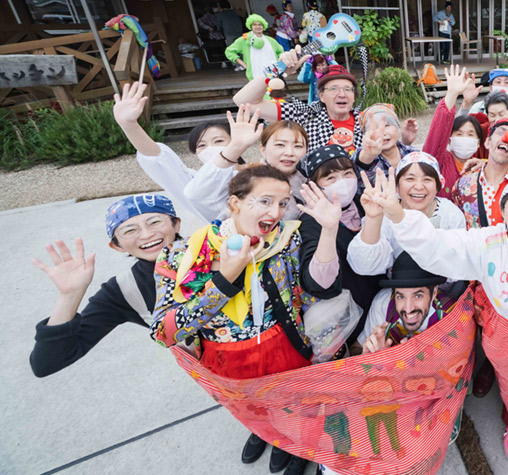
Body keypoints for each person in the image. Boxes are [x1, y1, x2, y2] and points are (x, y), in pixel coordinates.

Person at [151, 164, 344, 475]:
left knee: (299, 405)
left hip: (286, 347)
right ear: (235, 202)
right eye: (265, 201)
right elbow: (163, 333)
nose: (276, 212)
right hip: (225, 358)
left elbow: (308, 293)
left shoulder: (286, 241)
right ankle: (263, 431)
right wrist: (224, 280)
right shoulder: (180, 255)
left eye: (283, 203)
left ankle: (301, 446)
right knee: (251, 407)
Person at [371, 176, 508, 463]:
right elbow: (438, 246)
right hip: (505, 343)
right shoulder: (486, 242)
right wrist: (399, 216)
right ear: (504, 214)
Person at [30, 195, 181, 378]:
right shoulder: (124, 291)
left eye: (154, 222)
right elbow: (47, 363)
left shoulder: (212, 251)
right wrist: (69, 295)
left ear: (176, 224)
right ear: (117, 245)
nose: (146, 234)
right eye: (129, 230)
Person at [295, 144, 378, 347]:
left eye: (347, 173)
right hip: (351, 322)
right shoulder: (311, 221)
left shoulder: (364, 203)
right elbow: (319, 284)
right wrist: (329, 229)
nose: (342, 182)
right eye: (330, 177)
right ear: (315, 186)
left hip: (381, 308)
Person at [113, 81, 231, 223]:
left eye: (218, 141)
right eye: (202, 145)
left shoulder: (254, 171)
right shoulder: (194, 182)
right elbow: (159, 159)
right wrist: (129, 125)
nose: (210, 148)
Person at [349, 152, 466, 278]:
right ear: (397, 186)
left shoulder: (450, 214)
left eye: (427, 179)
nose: (419, 187)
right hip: (398, 287)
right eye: (410, 179)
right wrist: (373, 218)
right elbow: (365, 266)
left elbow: (458, 262)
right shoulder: (385, 214)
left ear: (438, 186)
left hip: (443, 286)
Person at [184, 109, 309, 221]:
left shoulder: (310, 178)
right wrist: (235, 147)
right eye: (280, 145)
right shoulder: (244, 180)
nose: (289, 152)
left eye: (298, 146)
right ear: (263, 150)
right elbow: (195, 194)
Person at [233, 57, 359, 152]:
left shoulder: (365, 120)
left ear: (354, 96)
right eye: (333, 89)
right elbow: (244, 101)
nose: (342, 94)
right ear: (321, 96)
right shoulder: (305, 115)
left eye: (348, 89)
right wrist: (278, 68)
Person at [357, 252, 458, 353]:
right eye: (401, 297)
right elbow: (355, 348)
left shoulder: (455, 317)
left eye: (418, 296)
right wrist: (371, 356)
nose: (408, 309)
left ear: (434, 292)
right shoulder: (383, 303)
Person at [422, 65, 485, 199]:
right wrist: (452, 94)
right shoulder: (439, 160)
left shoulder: (481, 168)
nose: (464, 138)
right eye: (459, 134)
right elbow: (438, 133)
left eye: (470, 134)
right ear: (449, 140)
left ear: (478, 142)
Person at [354, 104, 417, 187]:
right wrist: (369, 154)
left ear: (397, 128)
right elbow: (362, 161)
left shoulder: (412, 153)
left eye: (387, 126)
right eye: (375, 128)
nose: (382, 132)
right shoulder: (365, 154)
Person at [224, 13, 284, 80]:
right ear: (251, 26)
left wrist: (279, 66)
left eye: (260, 24)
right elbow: (229, 51)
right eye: (254, 24)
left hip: (273, 74)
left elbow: (281, 52)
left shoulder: (271, 40)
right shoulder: (244, 40)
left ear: (263, 26)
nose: (257, 27)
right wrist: (243, 64)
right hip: (255, 75)